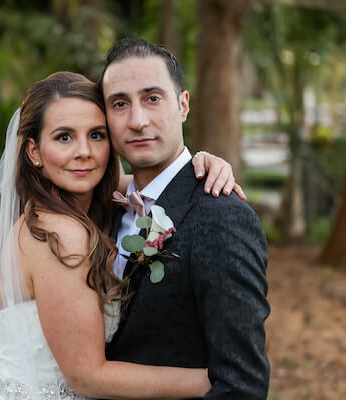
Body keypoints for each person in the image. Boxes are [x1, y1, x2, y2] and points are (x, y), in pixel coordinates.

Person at [0, 71, 243, 400]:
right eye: (64, 137)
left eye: (96, 135)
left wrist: (204, 164)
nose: (84, 151)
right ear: (33, 151)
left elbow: (153, 185)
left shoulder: (53, 211)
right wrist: (219, 380)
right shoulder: (60, 235)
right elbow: (87, 377)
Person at [100, 38, 270, 399]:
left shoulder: (222, 218)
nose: (137, 120)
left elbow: (242, 384)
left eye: (152, 98)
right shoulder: (103, 208)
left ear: (183, 105)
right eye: (119, 104)